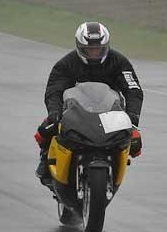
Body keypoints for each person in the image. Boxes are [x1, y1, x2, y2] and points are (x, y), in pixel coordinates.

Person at [34, 22, 144, 186]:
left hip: (110, 113)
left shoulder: (119, 62)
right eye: (89, 50)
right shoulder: (65, 64)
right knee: (46, 129)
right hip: (75, 113)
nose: (94, 53)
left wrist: (133, 116)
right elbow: (53, 91)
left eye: (98, 49)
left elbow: (133, 89)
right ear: (79, 47)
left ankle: (116, 164)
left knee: (135, 140)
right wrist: (54, 112)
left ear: (106, 46)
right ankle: (45, 159)